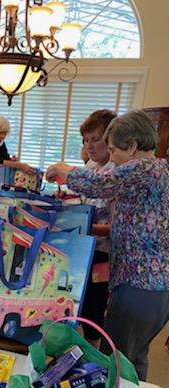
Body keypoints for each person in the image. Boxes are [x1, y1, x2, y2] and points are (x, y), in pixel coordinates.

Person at [45, 109, 169, 380]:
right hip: (148, 286)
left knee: (119, 362)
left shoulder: (144, 168)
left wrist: (62, 170)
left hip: (141, 284)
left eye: (114, 150)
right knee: (131, 359)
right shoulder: (159, 169)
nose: (112, 158)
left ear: (133, 145)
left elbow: (101, 183)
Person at [79, 109, 117, 348]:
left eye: (95, 139)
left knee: (95, 304)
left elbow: (115, 227)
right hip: (85, 248)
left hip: (102, 255)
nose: (90, 146)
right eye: (86, 140)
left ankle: (92, 353)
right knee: (80, 301)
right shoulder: (92, 165)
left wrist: (84, 225)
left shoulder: (116, 172)